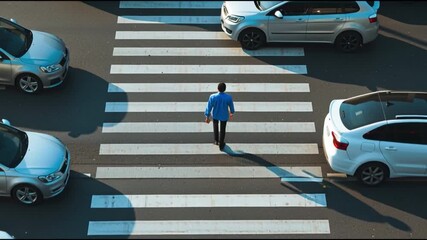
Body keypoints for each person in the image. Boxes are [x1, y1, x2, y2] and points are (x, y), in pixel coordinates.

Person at [204, 82, 235, 151]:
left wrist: (207, 115)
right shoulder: (228, 97)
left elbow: (209, 107)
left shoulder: (212, 97)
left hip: (215, 114)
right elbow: (231, 107)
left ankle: (216, 140)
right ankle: (221, 144)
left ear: (217, 88)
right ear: (225, 89)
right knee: (223, 129)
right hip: (224, 115)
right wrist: (232, 112)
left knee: (215, 127)